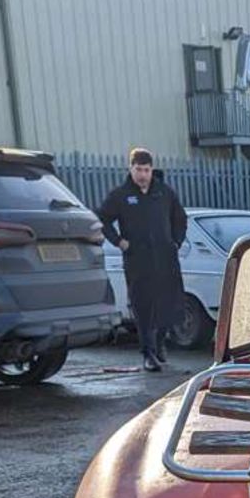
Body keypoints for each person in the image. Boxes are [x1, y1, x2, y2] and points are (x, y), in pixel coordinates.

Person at [97, 148, 186, 372]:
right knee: (143, 307)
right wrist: (119, 242)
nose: (143, 174)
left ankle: (159, 344)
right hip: (138, 261)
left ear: (152, 169)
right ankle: (147, 353)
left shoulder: (164, 193)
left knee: (167, 304)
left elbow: (180, 218)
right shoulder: (121, 195)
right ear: (131, 168)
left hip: (165, 259)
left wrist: (176, 242)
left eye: (146, 170)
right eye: (138, 169)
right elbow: (103, 219)